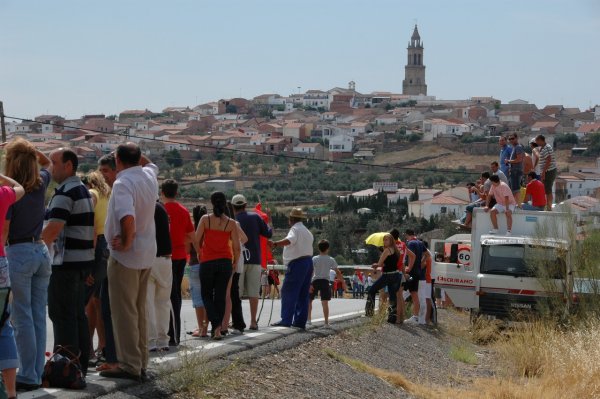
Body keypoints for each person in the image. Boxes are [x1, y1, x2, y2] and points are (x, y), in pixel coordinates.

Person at [100, 143, 158, 382]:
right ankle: (141, 361)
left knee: (124, 312)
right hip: (146, 253)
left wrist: (125, 242)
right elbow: (150, 162)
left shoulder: (123, 183)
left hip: (127, 255)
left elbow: (127, 217)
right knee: (139, 309)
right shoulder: (148, 175)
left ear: (117, 159)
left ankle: (129, 364)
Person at [3, 138, 52, 391]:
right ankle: (36, 372)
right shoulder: (42, 182)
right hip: (41, 249)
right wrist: (32, 149)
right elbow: (49, 161)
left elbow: (5, 230)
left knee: (21, 318)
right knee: (37, 315)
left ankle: (28, 374)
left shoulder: (13, 194)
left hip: (19, 251)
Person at [42, 148, 95, 379]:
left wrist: (35, 243)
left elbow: (53, 229)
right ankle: (79, 364)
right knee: (76, 314)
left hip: (64, 264)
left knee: (62, 314)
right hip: (80, 263)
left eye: (54, 162)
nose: (51, 167)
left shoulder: (65, 192)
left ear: (69, 166)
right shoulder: (81, 189)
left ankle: (65, 367)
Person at [196, 192, 240, 340]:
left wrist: (198, 253)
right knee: (220, 296)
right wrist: (235, 261)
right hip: (225, 262)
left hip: (207, 261)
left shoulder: (205, 219)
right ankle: (217, 329)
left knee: (206, 295)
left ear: (212, 203)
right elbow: (237, 247)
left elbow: (196, 240)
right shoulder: (231, 223)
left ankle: (215, 325)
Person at [0, 173, 26, 398]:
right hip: (0, 264)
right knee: (3, 326)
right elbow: (20, 188)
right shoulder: (2, 194)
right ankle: (10, 392)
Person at [160, 179, 195, 347]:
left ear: (162, 192)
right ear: (176, 192)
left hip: (163, 256)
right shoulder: (183, 210)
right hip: (180, 256)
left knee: (163, 296)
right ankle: (175, 334)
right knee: (175, 296)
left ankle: (168, 334)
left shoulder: (160, 210)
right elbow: (191, 235)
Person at [81, 171, 110, 367]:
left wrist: (87, 259)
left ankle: (87, 350)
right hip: (107, 248)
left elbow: (89, 226)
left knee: (85, 302)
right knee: (97, 302)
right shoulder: (108, 196)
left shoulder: (91, 195)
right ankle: (102, 346)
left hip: (96, 247)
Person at [231, 194, 272, 331]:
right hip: (255, 259)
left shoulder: (232, 220)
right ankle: (253, 322)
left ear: (233, 206)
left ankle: (235, 321)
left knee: (236, 293)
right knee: (254, 293)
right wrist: (269, 220)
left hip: (237, 259)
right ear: (245, 204)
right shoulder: (255, 217)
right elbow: (268, 233)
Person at [268, 208, 314, 329]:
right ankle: (300, 321)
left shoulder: (295, 229)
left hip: (297, 263)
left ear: (291, 219)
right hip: (308, 262)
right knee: (303, 293)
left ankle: (286, 319)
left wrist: (275, 244)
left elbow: (290, 240)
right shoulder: (307, 231)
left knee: (288, 291)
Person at [94, 154, 118, 372]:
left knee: (107, 307)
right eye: (100, 172)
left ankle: (113, 357)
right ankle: (109, 351)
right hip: (110, 251)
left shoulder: (118, 191)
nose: (103, 176)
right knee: (105, 305)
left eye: (106, 171)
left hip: (111, 253)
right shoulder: (111, 193)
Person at [146, 200, 172, 352]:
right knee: (163, 302)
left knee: (147, 302)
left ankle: (151, 341)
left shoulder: (145, 207)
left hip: (149, 259)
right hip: (166, 260)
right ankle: (163, 340)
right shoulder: (162, 209)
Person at [364, 234, 402, 324]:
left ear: (391, 241)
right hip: (396, 275)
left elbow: (379, 264)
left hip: (387, 275)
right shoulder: (396, 251)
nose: (385, 242)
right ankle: (392, 318)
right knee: (392, 296)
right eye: (384, 240)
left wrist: (375, 265)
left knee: (372, 290)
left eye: (387, 240)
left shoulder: (386, 250)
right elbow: (391, 263)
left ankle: (369, 313)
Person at [308, 240, 343, 327]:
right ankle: (326, 322)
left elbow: (310, 271)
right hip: (325, 281)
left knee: (309, 301)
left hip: (315, 280)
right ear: (327, 249)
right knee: (325, 303)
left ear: (318, 248)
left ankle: (309, 320)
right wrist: (343, 282)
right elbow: (337, 272)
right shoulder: (331, 259)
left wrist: (309, 283)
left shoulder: (314, 258)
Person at [187, 205, 208, 338]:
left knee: (197, 299)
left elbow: (187, 249)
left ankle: (201, 329)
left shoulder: (192, 229)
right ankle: (206, 328)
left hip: (195, 265)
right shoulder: (210, 227)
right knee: (207, 298)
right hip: (208, 264)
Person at [404, 230, 423, 323]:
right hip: (418, 271)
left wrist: (409, 268)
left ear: (407, 235)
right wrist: (420, 265)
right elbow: (426, 255)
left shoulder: (411, 243)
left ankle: (413, 316)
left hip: (412, 272)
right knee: (413, 293)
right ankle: (414, 316)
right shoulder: (420, 242)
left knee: (408, 292)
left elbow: (412, 256)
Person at [535, 134, 557, 210]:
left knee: (548, 189)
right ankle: (546, 205)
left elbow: (549, 159)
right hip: (546, 171)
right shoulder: (543, 148)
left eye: (537, 141)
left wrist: (544, 172)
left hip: (549, 171)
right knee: (545, 189)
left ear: (541, 140)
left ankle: (549, 207)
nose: (536, 143)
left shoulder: (546, 148)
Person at [506, 133, 525, 203]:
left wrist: (509, 161)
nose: (511, 140)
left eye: (512, 138)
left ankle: (518, 205)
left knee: (516, 189)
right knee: (513, 189)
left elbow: (519, 159)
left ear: (517, 138)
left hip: (516, 171)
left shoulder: (518, 147)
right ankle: (515, 204)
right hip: (513, 171)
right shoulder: (514, 148)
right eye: (510, 139)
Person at [418, 241, 433, 325]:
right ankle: (426, 319)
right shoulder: (429, 255)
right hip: (428, 279)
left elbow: (421, 266)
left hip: (426, 279)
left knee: (426, 299)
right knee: (427, 299)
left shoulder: (426, 256)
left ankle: (425, 319)